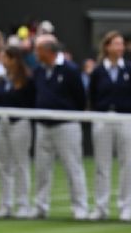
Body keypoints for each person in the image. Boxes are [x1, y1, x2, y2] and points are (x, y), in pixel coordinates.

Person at [30, 34, 89, 220]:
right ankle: (40, 206)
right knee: (41, 169)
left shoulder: (70, 70)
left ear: (48, 51)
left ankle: (80, 208)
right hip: (42, 126)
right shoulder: (38, 71)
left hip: (66, 126)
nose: (35, 54)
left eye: (38, 50)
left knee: (73, 168)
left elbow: (80, 98)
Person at [88, 31, 131, 221]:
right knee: (102, 165)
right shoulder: (97, 71)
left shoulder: (129, 69)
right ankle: (101, 207)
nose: (120, 48)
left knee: (128, 164)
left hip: (126, 118)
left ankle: (126, 208)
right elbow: (92, 96)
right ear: (107, 47)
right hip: (102, 119)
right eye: (116, 44)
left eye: (122, 44)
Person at [0, 45, 34, 219]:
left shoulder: (27, 79)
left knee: (21, 164)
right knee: (4, 165)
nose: (3, 61)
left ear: (14, 59)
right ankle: (6, 204)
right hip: (2, 123)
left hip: (20, 124)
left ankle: (23, 204)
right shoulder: (2, 79)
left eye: (5, 58)